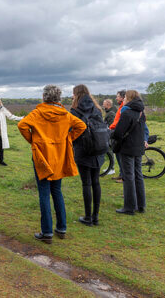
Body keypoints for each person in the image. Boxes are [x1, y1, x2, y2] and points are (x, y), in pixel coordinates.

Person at [18, 85, 86, 243]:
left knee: (43, 193)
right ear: (59, 98)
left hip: (42, 157)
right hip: (59, 157)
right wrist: (68, 139)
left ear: (44, 97)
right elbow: (81, 126)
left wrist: (33, 141)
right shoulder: (65, 114)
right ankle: (61, 228)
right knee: (57, 191)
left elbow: (22, 125)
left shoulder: (37, 112)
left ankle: (47, 232)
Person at [70, 85, 105, 226]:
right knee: (96, 182)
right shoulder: (97, 109)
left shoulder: (74, 110)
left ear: (76, 94)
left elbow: (71, 129)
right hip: (98, 148)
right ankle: (95, 217)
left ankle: (88, 217)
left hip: (83, 149)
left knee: (86, 183)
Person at [112, 90, 146, 215]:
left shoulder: (127, 113)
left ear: (129, 98)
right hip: (138, 147)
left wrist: (113, 135)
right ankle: (141, 205)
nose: (124, 99)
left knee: (128, 176)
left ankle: (129, 206)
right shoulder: (141, 113)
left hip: (127, 148)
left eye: (125, 97)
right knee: (138, 175)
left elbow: (118, 132)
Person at [109, 90, 126, 182]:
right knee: (118, 154)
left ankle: (123, 176)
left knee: (120, 155)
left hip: (119, 133)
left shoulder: (124, 107)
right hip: (115, 130)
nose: (116, 98)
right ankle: (121, 174)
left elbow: (121, 122)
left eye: (118, 96)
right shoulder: (121, 106)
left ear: (123, 98)